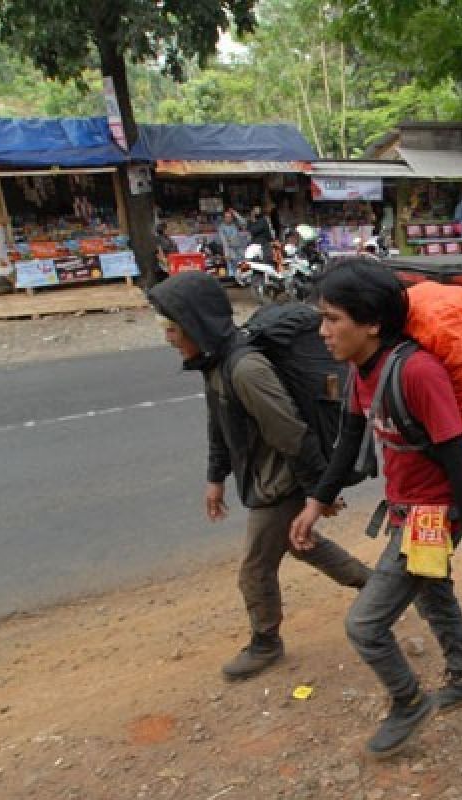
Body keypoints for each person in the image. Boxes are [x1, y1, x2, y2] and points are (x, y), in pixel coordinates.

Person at [288, 258, 462, 760]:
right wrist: (316, 502)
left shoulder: (419, 373)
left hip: (430, 519)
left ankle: (408, 701)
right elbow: (349, 442)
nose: (322, 332)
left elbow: (460, 463)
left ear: (371, 323)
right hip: (406, 511)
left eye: (332, 319)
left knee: (364, 625)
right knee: (432, 596)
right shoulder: (364, 372)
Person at [148, 272, 371, 681]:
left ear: (195, 325)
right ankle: (376, 587)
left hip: (280, 483)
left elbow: (290, 431)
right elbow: (219, 421)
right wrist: (215, 477)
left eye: (172, 328)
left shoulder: (246, 368)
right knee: (304, 545)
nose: (168, 338)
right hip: (267, 478)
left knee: (255, 568)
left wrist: (320, 491)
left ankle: (266, 642)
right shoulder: (214, 363)